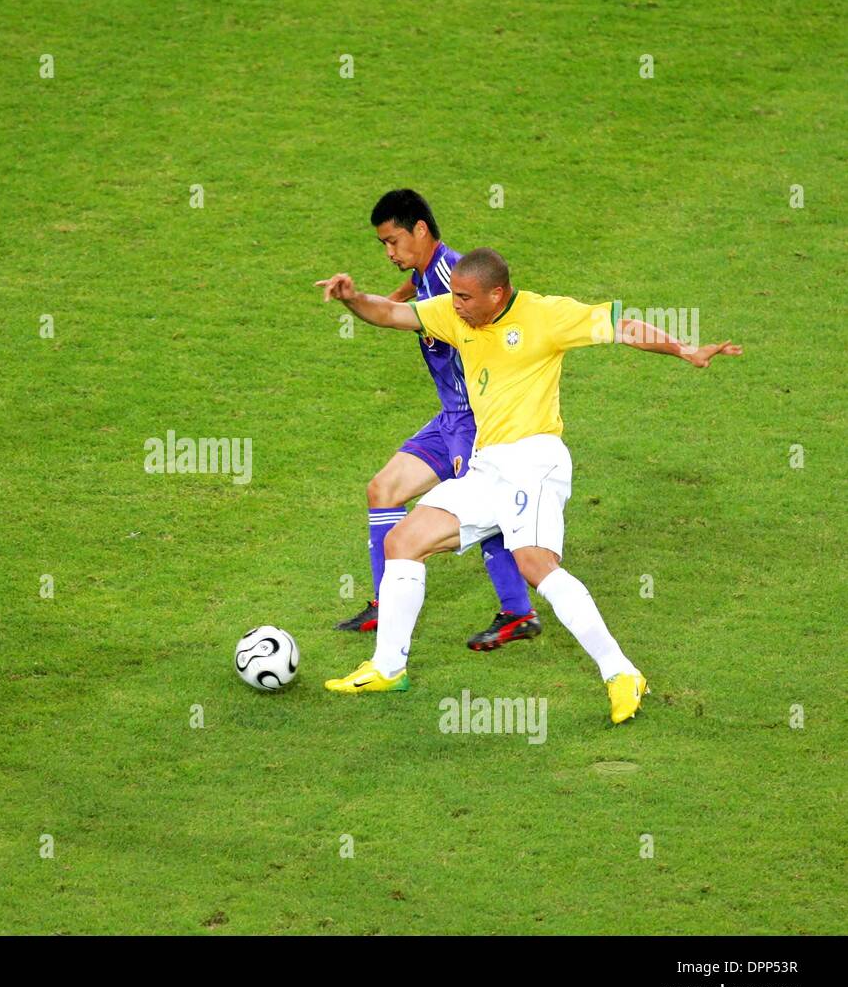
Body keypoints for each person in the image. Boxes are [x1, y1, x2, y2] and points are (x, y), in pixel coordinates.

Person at [315, 249, 742, 721]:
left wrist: (684, 349)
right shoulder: (456, 315)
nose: (454, 305)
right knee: (403, 540)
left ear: (496, 294)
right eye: (453, 295)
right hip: (487, 465)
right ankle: (388, 667)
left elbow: (623, 326)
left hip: (534, 460)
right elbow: (395, 313)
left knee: (535, 563)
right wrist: (352, 299)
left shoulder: (546, 315)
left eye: (464, 298)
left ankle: (621, 672)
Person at [335, 190, 538, 652]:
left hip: (478, 422)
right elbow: (413, 289)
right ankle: (388, 601)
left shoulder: (455, 277)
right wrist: (386, 295)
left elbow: (503, 318)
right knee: (382, 490)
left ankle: (518, 611)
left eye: (392, 242)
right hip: (449, 419)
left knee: (484, 515)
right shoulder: (426, 273)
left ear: (420, 230)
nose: (389, 252)